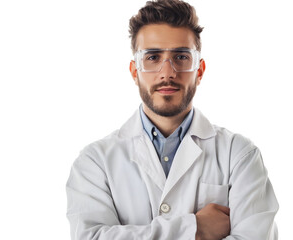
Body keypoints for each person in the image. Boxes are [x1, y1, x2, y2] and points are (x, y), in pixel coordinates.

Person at [66, 0, 279, 239]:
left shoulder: (240, 155)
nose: (167, 72)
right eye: (153, 57)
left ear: (199, 71)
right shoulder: (95, 163)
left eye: (181, 57)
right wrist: (195, 229)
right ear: (135, 72)